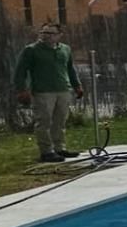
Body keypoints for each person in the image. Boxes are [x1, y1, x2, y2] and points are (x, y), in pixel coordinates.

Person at [13, 21, 84, 162]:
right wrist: (21, 89)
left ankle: (60, 148)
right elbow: (20, 71)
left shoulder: (65, 49)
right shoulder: (32, 50)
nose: (46, 36)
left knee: (60, 120)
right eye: (43, 32)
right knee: (44, 121)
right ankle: (46, 151)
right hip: (42, 91)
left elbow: (70, 69)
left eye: (50, 33)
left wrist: (77, 85)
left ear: (59, 35)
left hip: (63, 89)